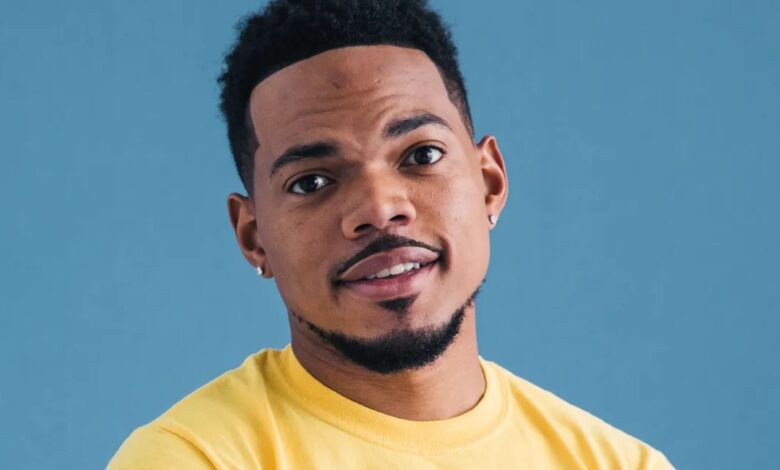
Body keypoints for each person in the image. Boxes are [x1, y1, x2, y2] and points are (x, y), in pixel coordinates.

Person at [109, 0, 674, 468]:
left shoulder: (621, 463)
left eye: (421, 155)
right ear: (254, 237)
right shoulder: (195, 458)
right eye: (311, 182)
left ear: (489, 183)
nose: (380, 210)